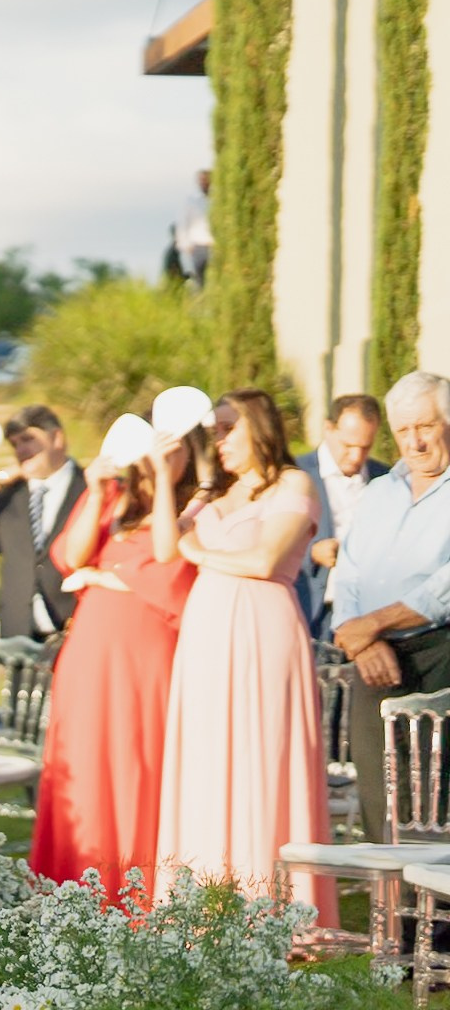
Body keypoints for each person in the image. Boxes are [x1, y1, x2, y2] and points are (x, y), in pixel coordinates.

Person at [155, 389, 335, 923]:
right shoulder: (214, 495)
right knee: (208, 762)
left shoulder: (293, 484)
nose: (220, 440)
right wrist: (165, 481)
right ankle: (204, 906)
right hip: (206, 637)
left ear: (258, 428)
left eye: (228, 428)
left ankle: (270, 909)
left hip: (263, 631)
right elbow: (166, 548)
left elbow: (263, 560)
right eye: (215, 431)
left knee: (263, 757)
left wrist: (202, 553)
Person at [27, 417, 203, 898]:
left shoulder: (196, 500)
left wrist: (103, 576)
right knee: (82, 766)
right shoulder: (114, 495)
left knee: (134, 765)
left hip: (146, 658)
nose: (164, 452)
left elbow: (169, 571)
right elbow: (70, 556)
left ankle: (131, 888)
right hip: (90, 654)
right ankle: (69, 886)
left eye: (176, 446)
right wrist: (96, 490)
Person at [330, 371, 450, 843]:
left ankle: (439, 916)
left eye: (426, 426)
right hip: (372, 663)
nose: (415, 442)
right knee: (381, 799)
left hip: (440, 655)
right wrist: (358, 641)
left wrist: (371, 625)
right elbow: (351, 574)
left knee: (438, 800)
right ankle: (391, 915)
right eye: (403, 430)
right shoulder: (378, 492)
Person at [0, 404, 84, 641]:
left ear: (57, 438)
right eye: (15, 444)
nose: (21, 450)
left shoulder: (91, 488)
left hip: (75, 629)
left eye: (27, 439)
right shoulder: (7, 497)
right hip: (19, 632)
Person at [297, 392, 385, 637]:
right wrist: (311, 552)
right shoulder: (295, 473)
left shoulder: (386, 478)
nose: (356, 457)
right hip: (312, 609)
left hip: (369, 615)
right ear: (328, 429)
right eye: (348, 446)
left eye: (365, 447)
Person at [175, 169, 213, 290]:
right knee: (199, 278)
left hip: (214, 244)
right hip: (198, 245)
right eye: (202, 180)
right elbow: (183, 223)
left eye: (206, 180)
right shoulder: (191, 201)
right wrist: (184, 243)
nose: (204, 182)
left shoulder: (217, 198)